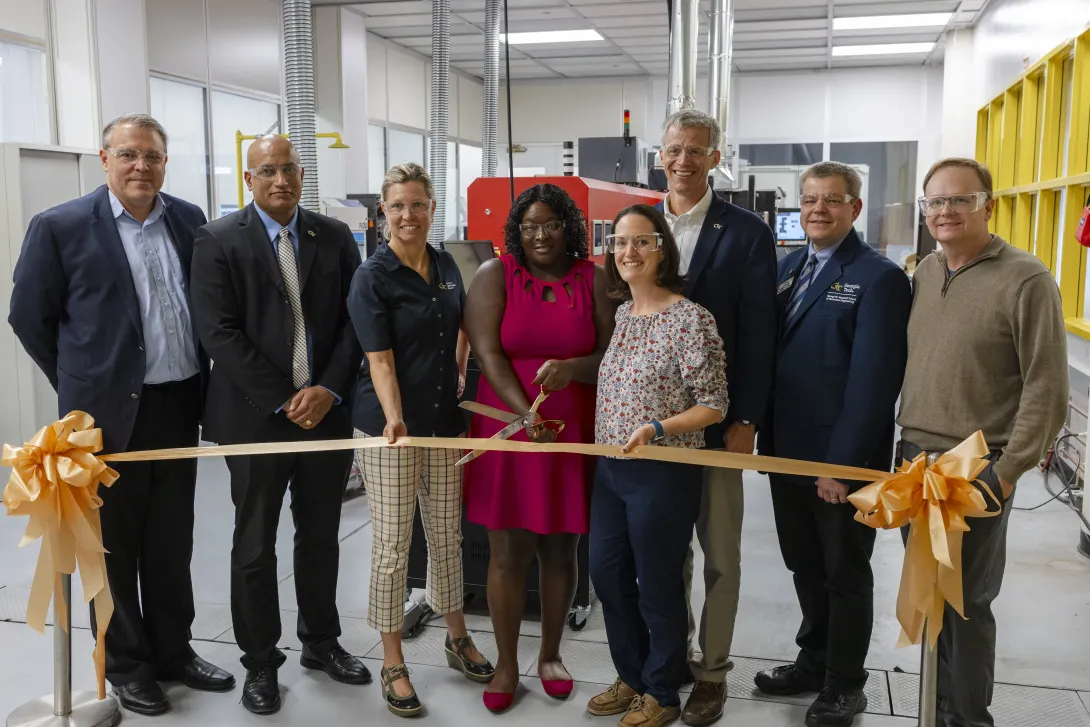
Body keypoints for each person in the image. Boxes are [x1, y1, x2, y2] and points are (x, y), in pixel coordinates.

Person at [8, 113, 234, 716]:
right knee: (111, 549)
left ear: (165, 163)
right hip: (101, 420)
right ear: (104, 159)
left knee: (170, 540)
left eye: (153, 157)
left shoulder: (188, 220)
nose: (141, 167)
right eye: (129, 155)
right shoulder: (59, 227)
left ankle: (173, 651)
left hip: (179, 403)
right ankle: (129, 665)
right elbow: (28, 316)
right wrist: (81, 382)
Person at [190, 135, 368, 716]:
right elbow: (218, 332)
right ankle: (261, 661)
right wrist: (290, 399)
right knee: (254, 543)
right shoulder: (217, 241)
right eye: (267, 170)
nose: (280, 180)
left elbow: (353, 320)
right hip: (255, 418)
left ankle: (321, 642)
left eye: (289, 169)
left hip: (327, 412)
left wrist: (328, 390)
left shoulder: (334, 236)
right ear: (249, 179)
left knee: (319, 536)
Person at [897, 158, 1067, 727]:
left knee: (965, 602)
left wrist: (1010, 469)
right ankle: (934, 708)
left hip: (977, 465)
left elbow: (1046, 383)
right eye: (934, 202)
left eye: (959, 200)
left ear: (987, 205)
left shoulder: (1027, 278)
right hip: (913, 457)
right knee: (929, 596)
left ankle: (967, 717)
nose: (945, 212)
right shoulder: (924, 271)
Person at [756, 162, 912, 727]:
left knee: (844, 572)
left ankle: (846, 683)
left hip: (839, 460)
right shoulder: (789, 266)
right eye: (809, 199)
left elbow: (873, 383)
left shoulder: (878, 278)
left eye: (832, 200)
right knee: (803, 564)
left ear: (855, 207)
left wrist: (841, 467)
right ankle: (813, 659)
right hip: (786, 453)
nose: (818, 209)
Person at [348, 163, 495, 718]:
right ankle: (392, 659)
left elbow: (458, 323)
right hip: (393, 430)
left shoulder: (447, 265)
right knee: (391, 545)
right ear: (383, 212)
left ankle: (456, 636)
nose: (409, 215)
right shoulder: (372, 277)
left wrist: (460, 371)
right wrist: (394, 419)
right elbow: (378, 358)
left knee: (447, 534)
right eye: (398, 206)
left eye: (419, 205)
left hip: (443, 422)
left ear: (433, 209)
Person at [463, 184, 615, 713]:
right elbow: (486, 353)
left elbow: (611, 353)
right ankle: (507, 662)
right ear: (515, 232)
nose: (540, 235)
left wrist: (573, 369)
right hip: (512, 425)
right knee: (507, 551)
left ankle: (551, 654)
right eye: (528, 226)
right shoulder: (494, 276)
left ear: (569, 227)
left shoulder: (593, 279)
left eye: (550, 224)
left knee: (560, 546)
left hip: (572, 427)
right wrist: (525, 413)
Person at [654, 108, 777, 725]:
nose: (683, 161)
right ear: (660, 153)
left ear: (715, 157)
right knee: (664, 550)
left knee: (720, 554)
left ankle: (713, 672)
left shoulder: (747, 233)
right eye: (674, 149)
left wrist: (746, 418)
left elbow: (760, 333)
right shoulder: (640, 224)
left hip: (718, 417)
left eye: (695, 151)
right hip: (652, 424)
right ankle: (669, 661)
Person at [587, 204, 728, 727]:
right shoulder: (623, 314)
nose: (629, 252)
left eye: (641, 241)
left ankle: (663, 691)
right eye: (620, 243)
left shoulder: (690, 318)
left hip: (663, 469)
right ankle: (632, 674)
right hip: (609, 469)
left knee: (658, 581)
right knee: (606, 573)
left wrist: (659, 428)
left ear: (662, 248)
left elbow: (714, 404)